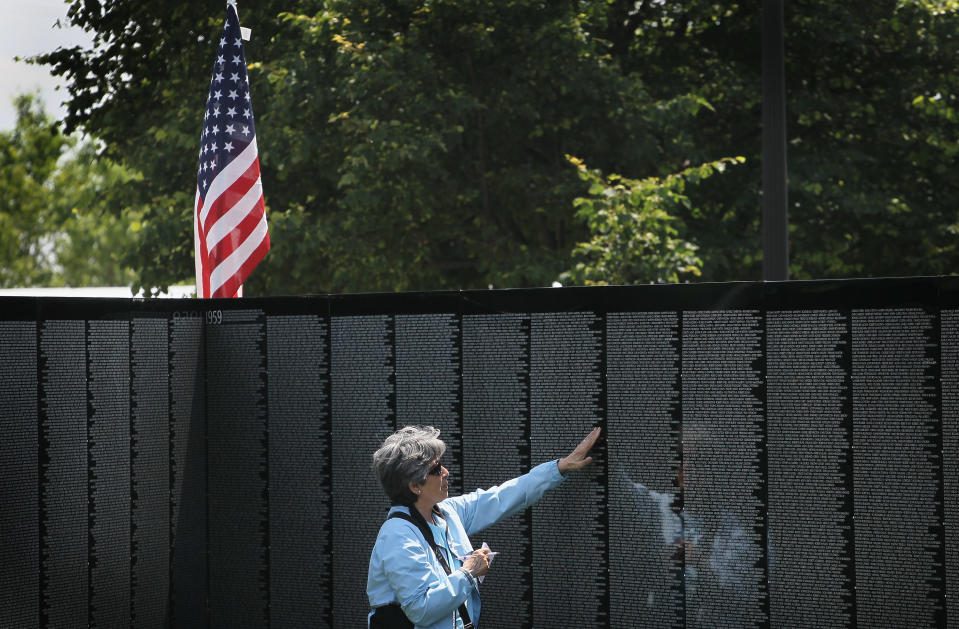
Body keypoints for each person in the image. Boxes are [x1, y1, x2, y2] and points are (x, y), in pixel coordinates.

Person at [367, 425, 601, 629]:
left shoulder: (447, 512)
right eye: (436, 469)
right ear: (415, 485)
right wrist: (469, 572)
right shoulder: (398, 535)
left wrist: (559, 468)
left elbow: (501, 498)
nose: (446, 472)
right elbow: (421, 609)